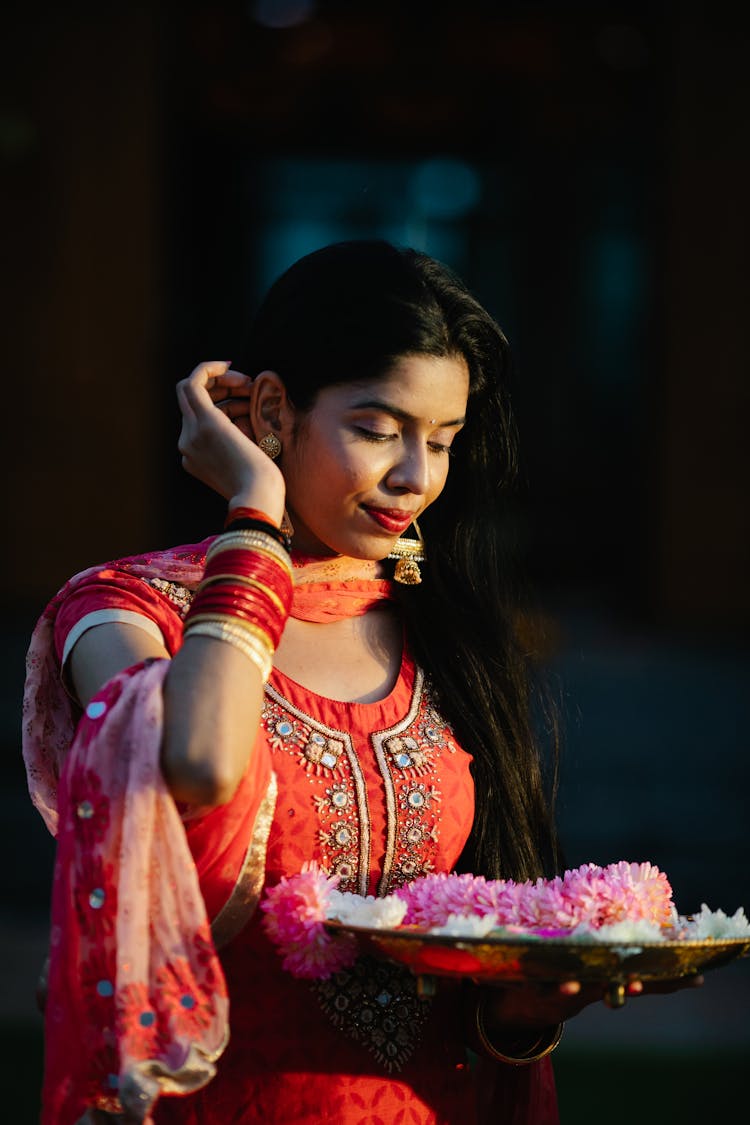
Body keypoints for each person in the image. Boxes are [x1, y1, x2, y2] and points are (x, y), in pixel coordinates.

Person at [21, 240, 636, 1124]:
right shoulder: (125, 610)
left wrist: (521, 1015)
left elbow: (471, 1007)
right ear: (272, 408)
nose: (416, 478)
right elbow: (198, 761)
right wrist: (253, 509)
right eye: (379, 431)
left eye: (444, 440)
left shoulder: (447, 635)